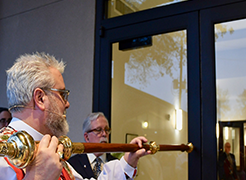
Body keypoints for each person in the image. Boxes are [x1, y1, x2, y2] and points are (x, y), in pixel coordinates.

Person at [0, 52, 151, 180]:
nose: (67, 104)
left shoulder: (50, 148)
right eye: (62, 94)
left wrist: (128, 161)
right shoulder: (3, 154)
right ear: (40, 98)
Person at [68, 112, 117, 179]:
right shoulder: (73, 164)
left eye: (106, 130)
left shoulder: (115, 164)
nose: (104, 134)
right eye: (98, 130)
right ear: (87, 137)